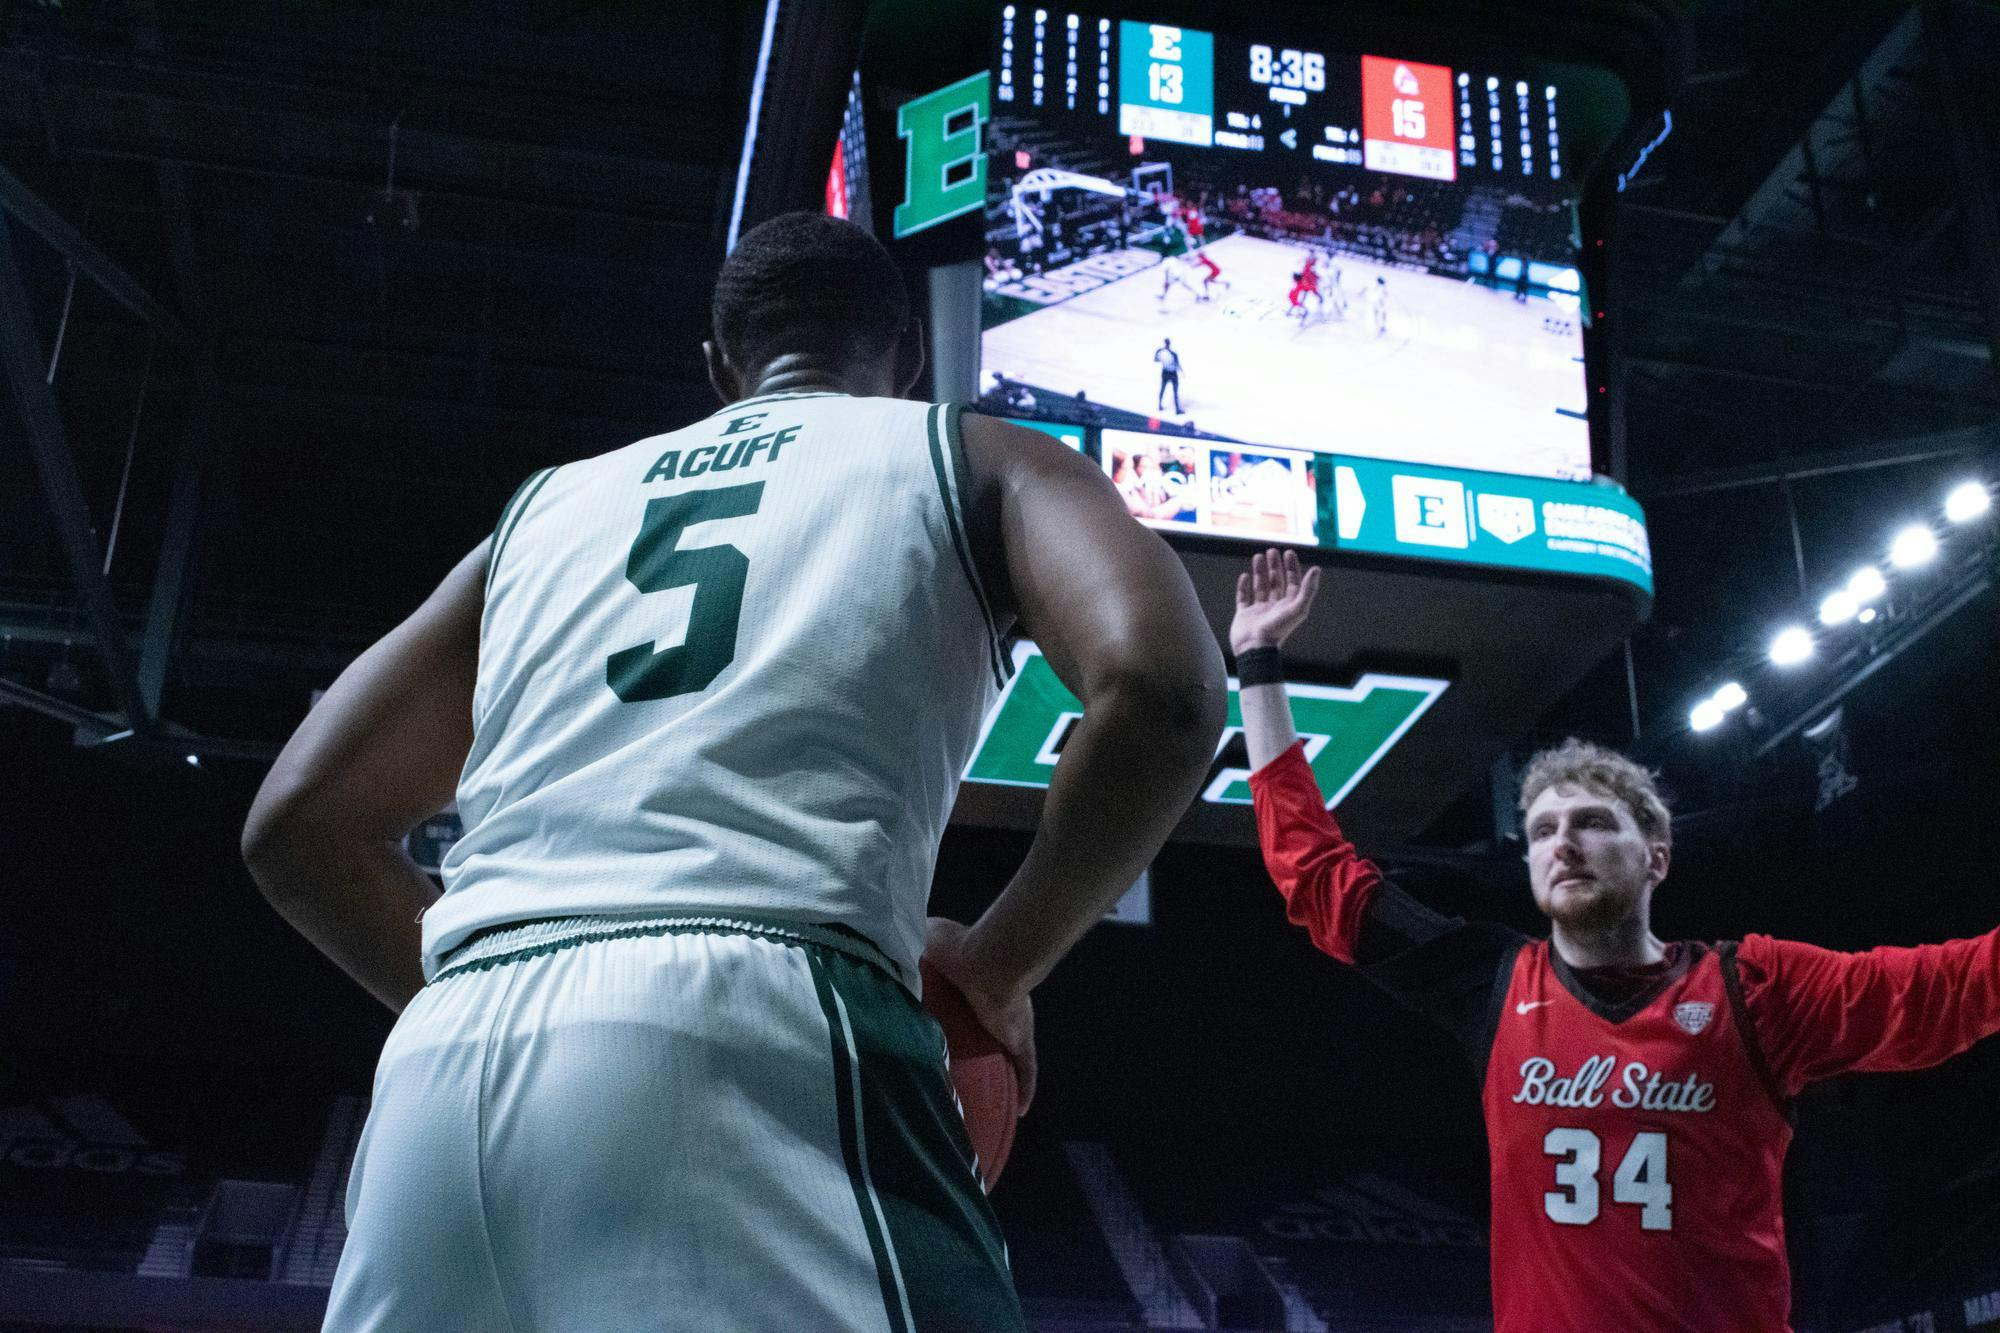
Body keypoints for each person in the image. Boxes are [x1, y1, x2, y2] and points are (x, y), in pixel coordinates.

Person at [241, 211, 1226, 1333]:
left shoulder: (541, 511)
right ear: (906, 357)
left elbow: (296, 826)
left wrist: (498, 1008)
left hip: (437, 1083)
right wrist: (998, 968)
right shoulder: (976, 453)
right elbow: (1165, 693)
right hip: (755, 1021)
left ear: (718, 367)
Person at [1229, 547, 2000, 1333]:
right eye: (1542, 830)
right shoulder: (1492, 982)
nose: (1564, 842)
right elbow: (1316, 875)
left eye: (1594, 823)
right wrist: (1258, 665)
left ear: (1656, 855)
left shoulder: (1755, 989)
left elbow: (1954, 985)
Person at [1155, 337, 1184, 413]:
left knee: (1162, 388)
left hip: (1165, 371)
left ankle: (1159, 405)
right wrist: (1181, 371)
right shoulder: (1173, 353)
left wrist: (1164, 360)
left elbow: (1156, 359)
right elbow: (1177, 364)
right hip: (1173, 373)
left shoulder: (1160, 351)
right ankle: (1177, 409)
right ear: (1169, 343)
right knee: (1175, 391)